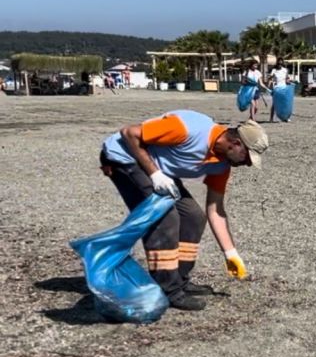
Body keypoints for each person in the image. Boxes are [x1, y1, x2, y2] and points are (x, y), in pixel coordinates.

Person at [99, 110, 269, 311]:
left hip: (160, 169)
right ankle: (168, 290)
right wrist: (155, 174)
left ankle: (179, 279)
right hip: (125, 157)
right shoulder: (189, 128)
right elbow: (129, 133)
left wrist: (230, 253)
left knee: (193, 216)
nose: (247, 164)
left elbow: (215, 209)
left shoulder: (222, 165)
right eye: (247, 158)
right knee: (165, 218)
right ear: (237, 144)